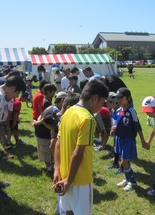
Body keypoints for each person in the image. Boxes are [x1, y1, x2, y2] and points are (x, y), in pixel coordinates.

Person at [52, 79, 109, 215]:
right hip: (80, 180)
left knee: (68, 212)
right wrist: (70, 181)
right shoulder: (87, 119)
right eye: (102, 102)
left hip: (64, 175)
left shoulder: (67, 112)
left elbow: (57, 144)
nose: (101, 107)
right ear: (95, 98)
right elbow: (78, 153)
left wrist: (57, 169)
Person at [112, 87, 148, 191]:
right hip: (119, 139)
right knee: (124, 161)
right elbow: (116, 124)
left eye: (121, 98)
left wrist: (143, 140)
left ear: (128, 98)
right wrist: (113, 129)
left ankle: (132, 182)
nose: (118, 100)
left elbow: (138, 126)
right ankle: (127, 179)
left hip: (128, 140)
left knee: (124, 162)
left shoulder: (131, 111)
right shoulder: (118, 111)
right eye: (117, 98)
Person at [141, 96, 155, 199]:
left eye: (150, 111)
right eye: (146, 111)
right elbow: (154, 128)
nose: (148, 114)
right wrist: (148, 141)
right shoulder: (150, 117)